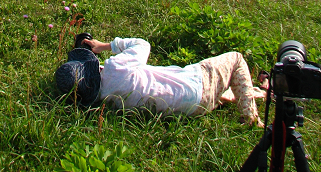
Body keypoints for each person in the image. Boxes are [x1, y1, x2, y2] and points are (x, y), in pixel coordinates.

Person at [55, 36, 264, 126]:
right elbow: (142, 45)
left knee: (219, 88)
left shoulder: (102, 100)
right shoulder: (114, 69)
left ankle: (263, 91)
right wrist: (103, 46)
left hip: (192, 108)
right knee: (236, 59)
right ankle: (251, 118)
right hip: (195, 85)